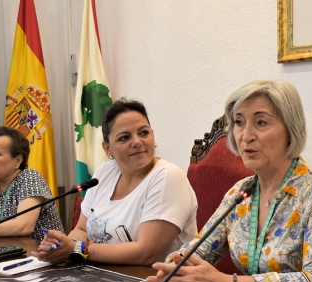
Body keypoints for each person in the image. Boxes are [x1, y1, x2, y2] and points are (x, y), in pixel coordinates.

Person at [148, 79, 312, 282]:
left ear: (291, 129)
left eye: (261, 122)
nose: (246, 135)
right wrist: (172, 269)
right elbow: (196, 253)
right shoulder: (240, 193)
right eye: (238, 123)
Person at [32, 98, 198, 266]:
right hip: (102, 275)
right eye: (124, 137)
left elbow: (145, 253)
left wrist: (76, 249)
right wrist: (59, 246)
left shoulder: (168, 176)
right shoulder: (104, 172)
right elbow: (81, 230)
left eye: (143, 133)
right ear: (107, 148)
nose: (137, 142)